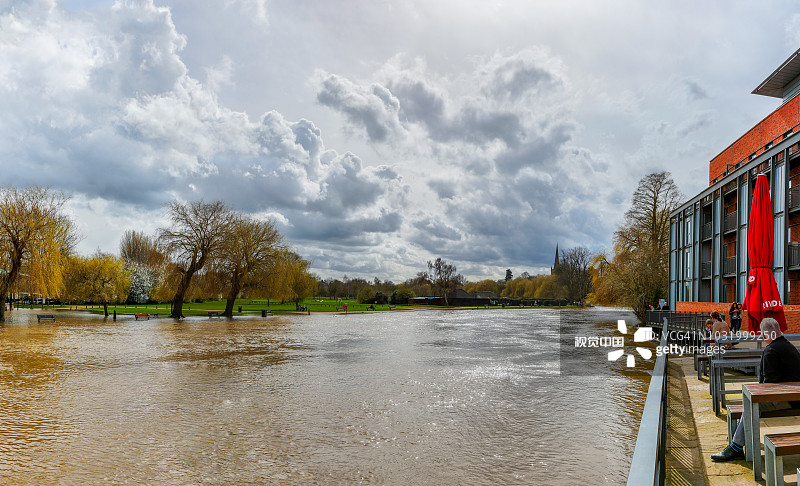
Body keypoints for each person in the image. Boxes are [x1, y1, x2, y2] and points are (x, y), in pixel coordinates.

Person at [711, 317, 800, 461]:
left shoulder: (771, 351)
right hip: (795, 397)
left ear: (766, 335)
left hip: (786, 399)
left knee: (750, 404)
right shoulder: (790, 347)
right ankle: (738, 438)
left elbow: (768, 385)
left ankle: (735, 447)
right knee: (749, 402)